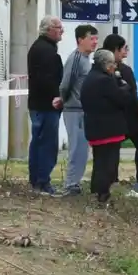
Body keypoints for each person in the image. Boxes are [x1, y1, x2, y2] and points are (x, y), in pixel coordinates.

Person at [102, 34, 138, 192]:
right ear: (115, 50)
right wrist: (137, 114)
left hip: (116, 117)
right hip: (127, 117)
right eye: (124, 48)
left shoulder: (101, 68)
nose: (126, 52)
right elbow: (131, 94)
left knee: (114, 148)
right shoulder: (122, 70)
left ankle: (113, 180)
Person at [80, 49, 130, 204]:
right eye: (112, 64)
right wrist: (125, 88)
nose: (114, 67)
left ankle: (96, 190)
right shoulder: (105, 80)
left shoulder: (90, 77)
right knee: (109, 161)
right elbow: (120, 99)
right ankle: (103, 193)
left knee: (99, 160)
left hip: (94, 127)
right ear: (107, 65)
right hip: (109, 128)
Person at [58, 24, 99, 195]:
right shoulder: (75, 59)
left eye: (96, 39)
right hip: (74, 109)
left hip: (83, 110)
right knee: (77, 148)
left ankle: (75, 183)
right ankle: (70, 184)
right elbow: (66, 84)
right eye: (91, 38)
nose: (95, 42)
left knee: (83, 148)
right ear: (80, 39)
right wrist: (64, 100)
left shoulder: (86, 60)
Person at [26, 16, 64, 195]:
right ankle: (42, 181)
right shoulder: (46, 52)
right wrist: (58, 96)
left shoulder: (39, 48)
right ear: (48, 29)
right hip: (46, 105)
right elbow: (48, 80)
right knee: (46, 144)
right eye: (58, 27)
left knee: (38, 142)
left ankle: (36, 180)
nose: (61, 30)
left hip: (38, 103)